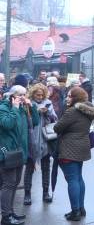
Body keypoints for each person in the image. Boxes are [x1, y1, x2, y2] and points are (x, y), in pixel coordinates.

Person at [52, 87, 94, 221]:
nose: (67, 98)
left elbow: (57, 128)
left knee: (72, 179)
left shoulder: (72, 111)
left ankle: (75, 211)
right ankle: (81, 208)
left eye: (69, 96)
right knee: (78, 178)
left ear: (75, 98)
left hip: (68, 148)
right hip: (82, 146)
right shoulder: (88, 110)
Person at [1, 86, 37, 225]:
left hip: (20, 152)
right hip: (8, 153)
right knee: (8, 184)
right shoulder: (3, 108)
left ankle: (10, 213)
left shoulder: (22, 108)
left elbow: (35, 122)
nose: (23, 98)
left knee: (15, 183)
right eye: (20, 95)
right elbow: (7, 124)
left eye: (24, 95)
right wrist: (15, 108)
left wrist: (31, 107)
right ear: (12, 96)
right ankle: (6, 217)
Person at [23, 83, 57, 205]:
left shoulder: (48, 103)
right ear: (33, 94)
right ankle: (27, 194)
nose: (40, 97)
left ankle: (45, 193)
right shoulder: (28, 104)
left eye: (42, 95)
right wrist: (34, 111)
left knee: (46, 168)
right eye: (38, 95)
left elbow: (55, 119)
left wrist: (47, 112)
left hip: (45, 139)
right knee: (29, 168)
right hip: (31, 139)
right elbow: (25, 120)